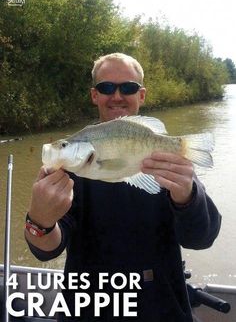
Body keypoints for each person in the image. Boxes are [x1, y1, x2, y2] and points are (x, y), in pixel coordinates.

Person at [25, 53, 221, 322]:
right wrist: (40, 220)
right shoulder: (70, 169)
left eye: (127, 87)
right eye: (106, 88)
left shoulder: (164, 159)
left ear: (141, 95)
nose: (116, 96)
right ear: (95, 95)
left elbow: (201, 237)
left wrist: (187, 195)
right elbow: (47, 250)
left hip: (161, 309)